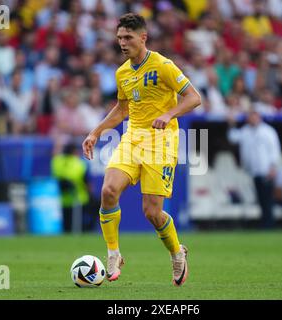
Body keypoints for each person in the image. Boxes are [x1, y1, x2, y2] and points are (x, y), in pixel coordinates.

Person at [82, 13, 201, 286]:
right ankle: (113, 253)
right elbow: (122, 110)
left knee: (152, 213)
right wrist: (95, 132)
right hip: (132, 138)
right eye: (120, 38)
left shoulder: (163, 65)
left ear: (143, 37)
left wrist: (169, 114)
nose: (123, 43)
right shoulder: (122, 72)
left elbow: (194, 97)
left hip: (161, 142)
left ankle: (176, 252)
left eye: (128, 38)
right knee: (108, 191)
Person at [227, 108, 281, 229]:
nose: (251, 118)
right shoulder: (246, 131)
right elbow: (233, 138)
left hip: (266, 171)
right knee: (261, 200)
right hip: (253, 172)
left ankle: (269, 225)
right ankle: (264, 223)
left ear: (258, 116)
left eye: (254, 116)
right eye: (250, 116)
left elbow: (275, 150)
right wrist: (231, 124)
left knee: (267, 200)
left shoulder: (268, 131)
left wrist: (273, 167)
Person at [51, 142, 96, 233]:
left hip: (60, 200)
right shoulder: (79, 164)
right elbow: (87, 183)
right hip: (79, 199)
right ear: (74, 151)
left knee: (66, 227)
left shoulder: (56, 161)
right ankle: (88, 231)